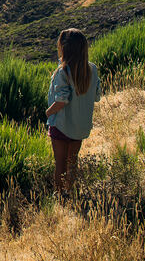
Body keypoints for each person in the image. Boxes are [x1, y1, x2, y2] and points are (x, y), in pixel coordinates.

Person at [45, 28, 101, 195]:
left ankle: (59, 196)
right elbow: (97, 96)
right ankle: (69, 193)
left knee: (60, 164)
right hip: (80, 126)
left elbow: (62, 100)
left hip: (61, 125)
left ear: (64, 48)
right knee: (72, 163)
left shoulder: (63, 71)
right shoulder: (92, 69)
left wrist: (48, 113)